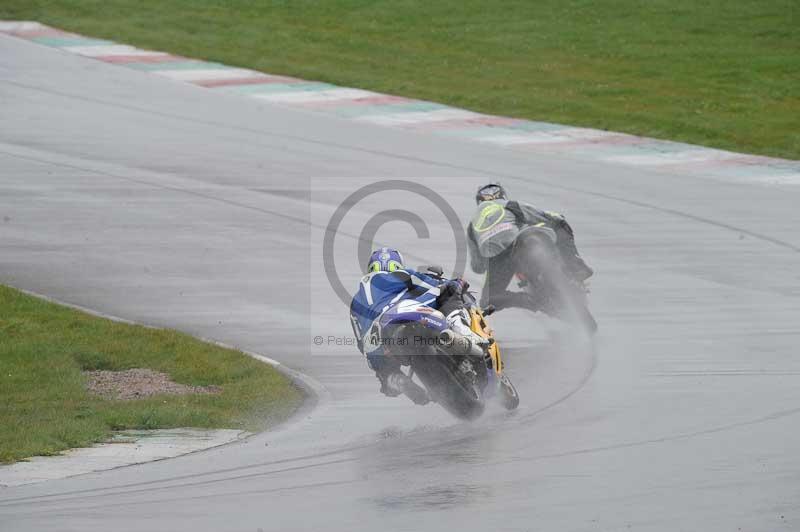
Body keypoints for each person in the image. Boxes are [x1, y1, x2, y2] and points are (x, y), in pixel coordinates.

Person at [349, 247, 471, 404]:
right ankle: (464, 332)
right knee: (448, 292)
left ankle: (396, 380)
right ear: (397, 265)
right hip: (400, 315)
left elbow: (360, 341)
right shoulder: (401, 275)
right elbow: (434, 285)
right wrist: (456, 283)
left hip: (377, 343)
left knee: (384, 371)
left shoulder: (355, 301)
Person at [467, 182, 593, 313]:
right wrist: (556, 221)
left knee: (488, 300)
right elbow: (545, 216)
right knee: (559, 222)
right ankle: (575, 265)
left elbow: (478, 267)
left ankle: (528, 300)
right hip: (523, 241)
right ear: (502, 195)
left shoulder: (472, 227)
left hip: (500, 258)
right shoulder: (509, 204)